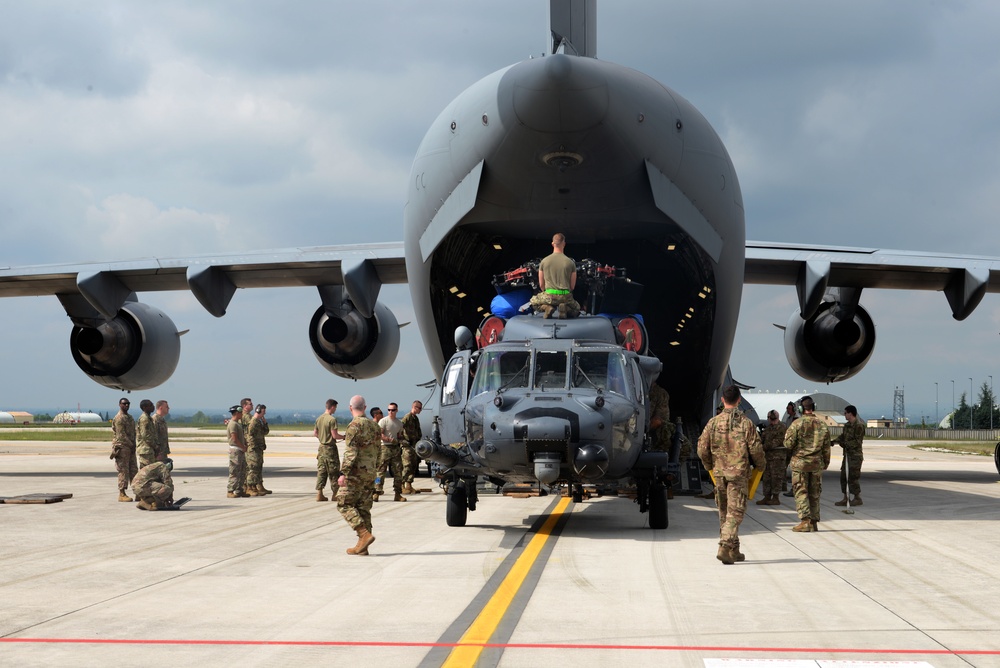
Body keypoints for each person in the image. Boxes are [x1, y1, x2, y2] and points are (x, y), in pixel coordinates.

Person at [697, 385, 765, 565]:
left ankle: (734, 550)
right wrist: (761, 466)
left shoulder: (712, 423)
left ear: (722, 400)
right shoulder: (746, 423)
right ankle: (725, 546)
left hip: (719, 474)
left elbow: (702, 449)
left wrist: (709, 465)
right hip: (738, 474)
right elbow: (756, 449)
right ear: (739, 400)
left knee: (725, 512)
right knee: (735, 513)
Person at [337, 395, 380, 556]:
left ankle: (364, 534)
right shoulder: (374, 426)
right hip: (370, 473)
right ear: (365, 407)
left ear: (350, 408)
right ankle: (363, 547)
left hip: (355, 473)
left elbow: (351, 453)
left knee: (343, 503)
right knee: (364, 508)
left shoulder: (354, 426)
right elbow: (378, 451)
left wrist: (343, 473)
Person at [784, 395, 831, 532]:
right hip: (816, 464)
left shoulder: (796, 424)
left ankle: (805, 521)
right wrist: (825, 463)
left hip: (800, 464)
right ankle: (814, 521)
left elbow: (788, 444)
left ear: (800, 409)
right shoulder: (822, 424)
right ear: (814, 407)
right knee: (815, 492)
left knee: (801, 491)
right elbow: (826, 447)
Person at [528, 232, 581, 318]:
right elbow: (572, 286)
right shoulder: (570, 263)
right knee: (576, 309)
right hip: (565, 296)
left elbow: (541, 285)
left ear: (552, 244)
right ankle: (565, 309)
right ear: (564, 244)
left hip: (549, 295)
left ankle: (547, 308)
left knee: (533, 303)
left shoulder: (544, 261)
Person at [833, 404, 865, 506]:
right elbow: (842, 437)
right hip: (847, 455)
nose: (844, 415)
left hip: (855, 456)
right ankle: (845, 498)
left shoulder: (859, 426)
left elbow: (857, 442)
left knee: (853, 477)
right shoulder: (847, 426)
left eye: (845, 413)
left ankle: (857, 497)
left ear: (850, 413)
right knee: (844, 476)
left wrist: (845, 445)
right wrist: (833, 442)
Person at [375, 402, 407, 502]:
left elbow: (400, 435)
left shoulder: (399, 423)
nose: (390, 412)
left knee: (398, 472)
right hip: (384, 448)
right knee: (380, 472)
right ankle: (376, 492)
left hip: (395, 449)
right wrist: (389, 439)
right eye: (389, 410)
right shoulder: (383, 421)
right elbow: (379, 434)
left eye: (393, 410)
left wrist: (402, 440)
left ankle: (397, 493)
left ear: (396, 410)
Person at [314, 399, 344, 501]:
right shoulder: (332, 420)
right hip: (330, 449)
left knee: (322, 471)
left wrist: (322, 438)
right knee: (333, 471)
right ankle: (335, 494)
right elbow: (334, 435)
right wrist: (344, 437)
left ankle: (319, 493)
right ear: (332, 407)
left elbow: (315, 433)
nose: (335, 409)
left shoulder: (319, 419)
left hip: (321, 448)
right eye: (335, 407)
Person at [756, 409, 787, 506]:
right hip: (768, 457)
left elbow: (776, 442)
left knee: (776, 478)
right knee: (767, 478)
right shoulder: (768, 428)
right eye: (770, 418)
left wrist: (762, 447)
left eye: (773, 418)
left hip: (778, 458)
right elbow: (762, 439)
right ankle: (767, 496)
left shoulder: (782, 428)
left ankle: (776, 498)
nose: (771, 420)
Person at [110, 397, 137, 502]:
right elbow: (122, 435)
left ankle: (137, 491)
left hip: (130, 447)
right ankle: (122, 493)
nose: (126, 405)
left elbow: (133, 433)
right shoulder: (119, 418)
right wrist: (131, 444)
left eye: (128, 404)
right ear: (119, 405)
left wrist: (133, 445)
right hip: (122, 447)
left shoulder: (129, 418)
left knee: (134, 470)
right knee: (123, 470)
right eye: (124, 404)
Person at [245, 404, 271, 496]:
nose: (265, 413)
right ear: (259, 411)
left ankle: (256, 486)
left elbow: (265, 432)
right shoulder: (253, 422)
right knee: (253, 468)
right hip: (254, 449)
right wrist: (254, 446)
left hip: (259, 448)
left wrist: (265, 423)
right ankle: (249, 487)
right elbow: (250, 435)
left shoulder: (258, 422)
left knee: (258, 467)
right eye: (263, 411)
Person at [399, 400, 423, 494]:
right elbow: (400, 428)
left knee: (413, 465)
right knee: (407, 465)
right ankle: (401, 485)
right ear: (415, 407)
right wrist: (402, 440)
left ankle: (409, 485)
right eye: (419, 408)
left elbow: (418, 431)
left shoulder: (415, 418)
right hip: (407, 446)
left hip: (414, 445)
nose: (420, 410)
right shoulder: (407, 417)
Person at [226, 405, 249, 498]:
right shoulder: (233, 424)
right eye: (240, 412)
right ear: (236, 413)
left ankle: (239, 490)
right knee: (235, 471)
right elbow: (234, 438)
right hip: (236, 450)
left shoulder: (237, 423)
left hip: (239, 450)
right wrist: (242, 447)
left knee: (242, 470)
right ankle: (230, 490)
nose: (242, 414)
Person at [135, 399, 156, 468]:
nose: (153, 406)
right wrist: (155, 445)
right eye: (150, 405)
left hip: (148, 450)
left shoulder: (148, 418)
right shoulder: (144, 419)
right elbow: (145, 435)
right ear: (144, 407)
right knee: (146, 471)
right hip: (145, 450)